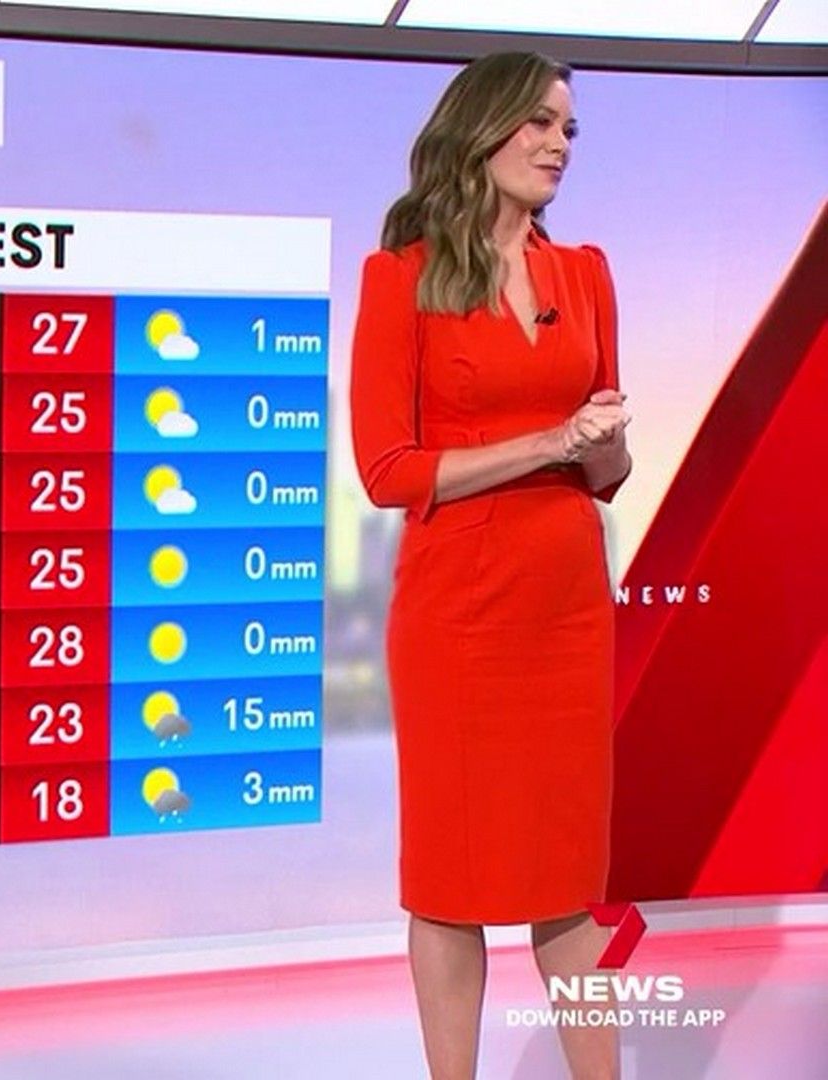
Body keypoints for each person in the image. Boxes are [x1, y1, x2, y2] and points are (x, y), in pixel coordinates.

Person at [349, 52, 634, 1080]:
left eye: (569, 129)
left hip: (567, 608)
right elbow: (388, 468)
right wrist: (548, 442)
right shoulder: (402, 276)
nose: (559, 145)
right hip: (459, 617)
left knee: (569, 876)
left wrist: (599, 444)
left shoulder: (585, 274)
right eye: (540, 123)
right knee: (451, 880)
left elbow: (610, 472)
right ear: (482, 129)